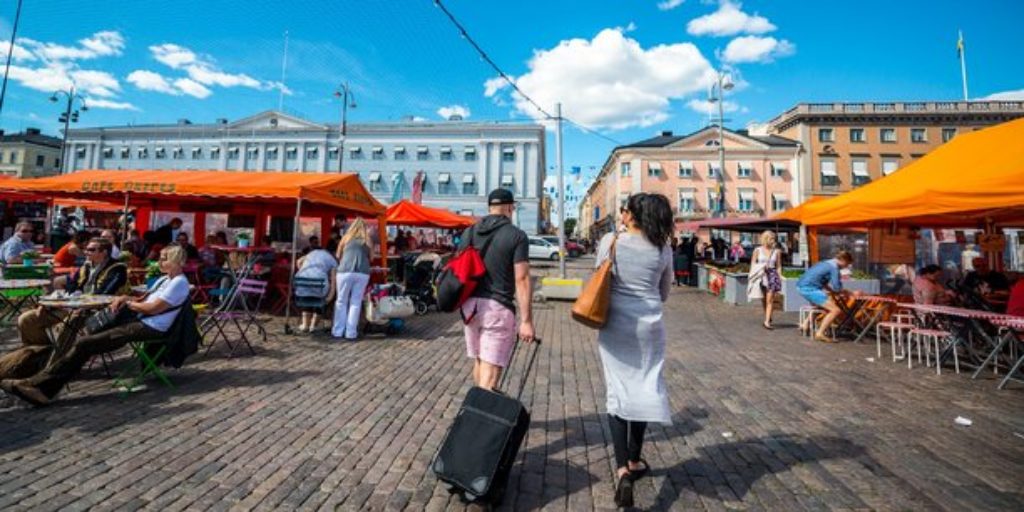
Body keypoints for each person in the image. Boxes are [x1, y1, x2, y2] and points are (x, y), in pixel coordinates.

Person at [1, 245, 190, 405]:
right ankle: (38, 383)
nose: (159, 261)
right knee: (83, 338)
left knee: (85, 343)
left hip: (151, 327)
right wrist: (125, 298)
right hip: (139, 320)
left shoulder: (179, 283)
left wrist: (128, 303)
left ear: (175, 261)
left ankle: (42, 389)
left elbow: (153, 308)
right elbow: (144, 299)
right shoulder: (165, 279)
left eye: (164, 259)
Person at [594, 193, 674, 508]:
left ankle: (623, 469)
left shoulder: (612, 241)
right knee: (643, 387)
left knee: (618, 390)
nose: (622, 214)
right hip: (649, 326)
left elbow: (600, 277)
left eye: (625, 209)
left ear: (633, 215)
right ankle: (636, 460)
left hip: (615, 323)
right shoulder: (663, 248)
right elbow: (665, 292)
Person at [1, 238, 128, 381]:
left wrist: (77, 298)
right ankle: (36, 358)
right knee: (27, 319)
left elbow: (104, 294)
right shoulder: (87, 266)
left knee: (68, 324)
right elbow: (72, 285)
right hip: (73, 307)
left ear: (104, 252)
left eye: (91, 250)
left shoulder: (117, 269)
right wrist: (64, 297)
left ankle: (56, 366)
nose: (86, 252)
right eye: (86, 249)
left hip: (96, 313)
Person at [459, 188, 535, 391]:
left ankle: (477, 413)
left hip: (469, 308)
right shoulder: (516, 236)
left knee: (480, 361)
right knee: (490, 375)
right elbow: (522, 278)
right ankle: (477, 420)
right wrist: (526, 321)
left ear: (490, 207)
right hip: (496, 309)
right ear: (510, 207)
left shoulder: (469, 232)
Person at [797, 251, 858, 343]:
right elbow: (837, 287)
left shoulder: (826, 263)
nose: (847, 266)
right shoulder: (834, 268)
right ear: (843, 260)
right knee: (835, 310)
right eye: (847, 264)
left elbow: (823, 282)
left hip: (801, 286)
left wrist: (831, 291)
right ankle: (820, 333)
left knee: (823, 306)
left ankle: (805, 325)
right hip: (809, 289)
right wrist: (848, 292)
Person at [332, 218, 372, 340]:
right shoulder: (367, 239)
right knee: (355, 302)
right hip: (362, 272)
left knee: (341, 301)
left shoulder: (346, 238)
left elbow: (338, 255)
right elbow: (372, 258)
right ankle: (351, 333)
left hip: (345, 271)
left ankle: (338, 331)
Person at [293, 245, 337, 334]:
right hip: (320, 285)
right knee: (319, 297)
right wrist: (331, 295)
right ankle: (314, 325)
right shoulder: (332, 259)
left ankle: (305, 325)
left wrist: (301, 269)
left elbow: (298, 261)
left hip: (301, 283)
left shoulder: (310, 254)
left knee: (307, 295)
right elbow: (333, 280)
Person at [747, 230, 783, 330]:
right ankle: (768, 315)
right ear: (766, 239)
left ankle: (767, 322)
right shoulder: (757, 250)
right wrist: (751, 278)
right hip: (761, 275)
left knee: (770, 299)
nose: (773, 241)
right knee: (764, 299)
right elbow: (753, 264)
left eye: (774, 239)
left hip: (772, 275)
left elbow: (779, 266)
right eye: (771, 239)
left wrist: (779, 276)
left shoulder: (777, 251)